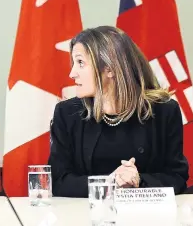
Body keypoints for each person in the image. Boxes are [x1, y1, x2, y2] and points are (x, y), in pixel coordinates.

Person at [49, 26, 189, 197]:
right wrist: (110, 182)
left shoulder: (164, 111)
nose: (72, 73)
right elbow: (58, 181)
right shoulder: (67, 113)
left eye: (80, 63)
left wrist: (138, 180)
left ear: (109, 69)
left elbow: (176, 177)